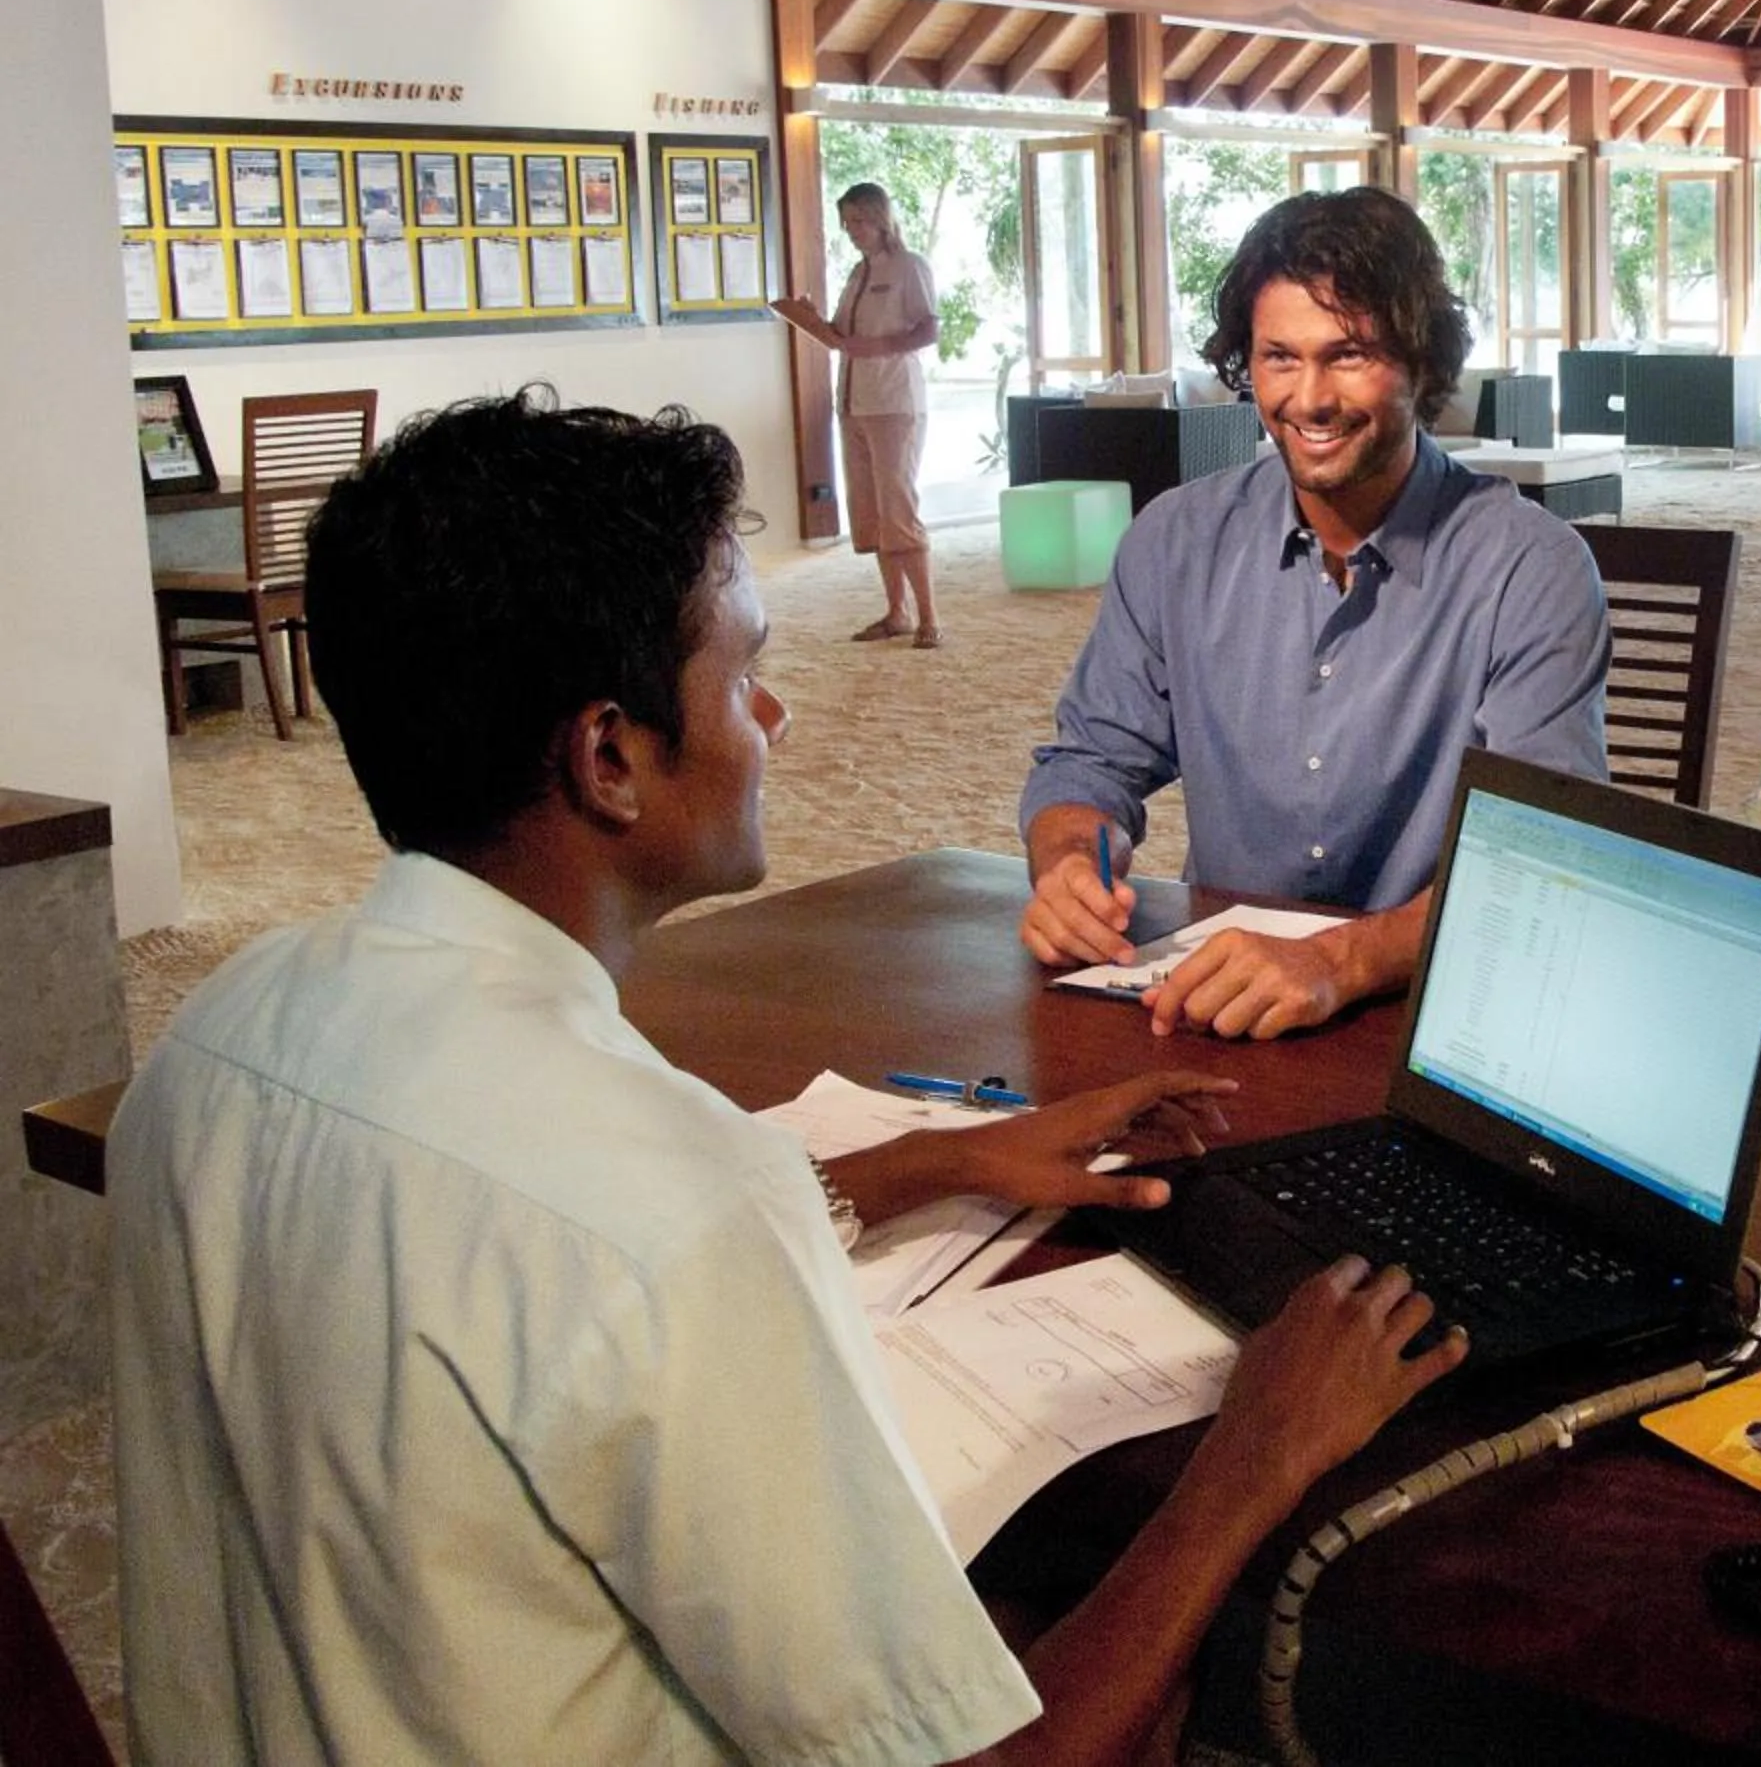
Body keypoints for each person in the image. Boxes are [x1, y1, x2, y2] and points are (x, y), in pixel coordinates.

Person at [106, 391, 1464, 1766]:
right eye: (744, 666)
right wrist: (1252, 1463)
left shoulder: (221, 1029)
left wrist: (944, 1158)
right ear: (611, 756)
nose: (776, 712)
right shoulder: (667, 1203)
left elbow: (522, 1262)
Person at [1017, 187, 1608, 1041]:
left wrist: (1342, 961)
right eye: (1279, 358)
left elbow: (1544, 856)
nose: (1310, 398)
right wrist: (1070, 862)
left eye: (1349, 355)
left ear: (1422, 363)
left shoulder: (1530, 567)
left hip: (1443, 1017)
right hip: (1220, 1008)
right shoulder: (1175, 540)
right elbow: (1089, 764)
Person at [776, 179, 943, 646]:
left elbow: (928, 329)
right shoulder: (857, 272)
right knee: (869, 510)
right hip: (853, 402)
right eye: (847, 223)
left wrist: (875, 347)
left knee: (898, 506)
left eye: (860, 221)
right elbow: (843, 337)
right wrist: (812, 321)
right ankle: (896, 611)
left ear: (882, 218)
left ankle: (929, 617)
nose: (853, 231)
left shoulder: (909, 267)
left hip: (894, 402)